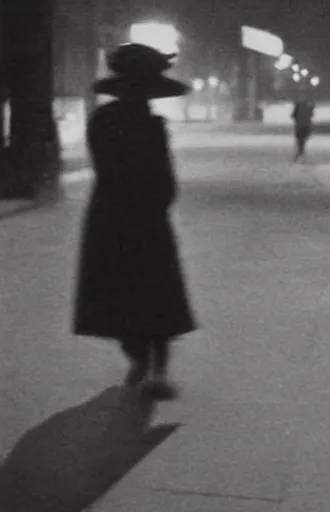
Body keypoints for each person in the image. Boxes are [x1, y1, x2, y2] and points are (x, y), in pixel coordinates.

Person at [73, 43, 197, 401]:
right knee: (157, 293)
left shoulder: (102, 120)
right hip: (145, 220)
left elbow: (108, 169)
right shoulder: (150, 125)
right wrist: (156, 201)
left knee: (119, 294)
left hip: (111, 218)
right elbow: (163, 178)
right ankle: (155, 368)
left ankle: (141, 360)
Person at [291, 96, 316, 162]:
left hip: (299, 126)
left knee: (300, 141)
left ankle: (299, 154)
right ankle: (300, 154)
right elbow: (311, 115)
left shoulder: (298, 106)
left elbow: (293, 116)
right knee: (303, 140)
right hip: (306, 126)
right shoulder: (308, 106)